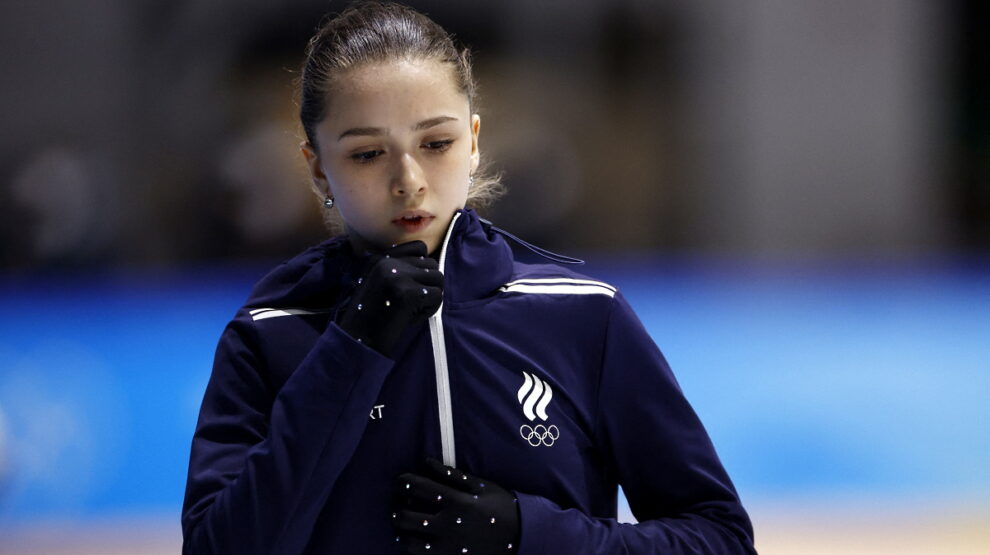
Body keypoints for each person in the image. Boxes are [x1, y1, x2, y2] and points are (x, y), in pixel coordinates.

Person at [180, 2, 756, 554]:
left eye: (436, 144)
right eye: (367, 154)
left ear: (474, 143)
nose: (409, 180)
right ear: (318, 168)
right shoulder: (270, 333)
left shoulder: (583, 317)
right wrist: (351, 350)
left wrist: (529, 535)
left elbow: (720, 538)